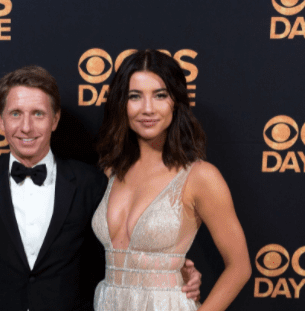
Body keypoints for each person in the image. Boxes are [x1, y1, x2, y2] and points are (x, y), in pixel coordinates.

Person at [0, 65, 201, 311]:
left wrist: (176, 271)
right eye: (16, 113)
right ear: (1, 119)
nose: (26, 127)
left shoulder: (91, 182)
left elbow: (119, 250)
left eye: (38, 114)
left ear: (55, 119)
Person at [92, 49, 251, 310]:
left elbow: (240, 267)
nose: (147, 109)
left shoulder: (200, 177)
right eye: (135, 96)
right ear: (122, 103)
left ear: (175, 102)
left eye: (160, 95)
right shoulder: (111, 169)